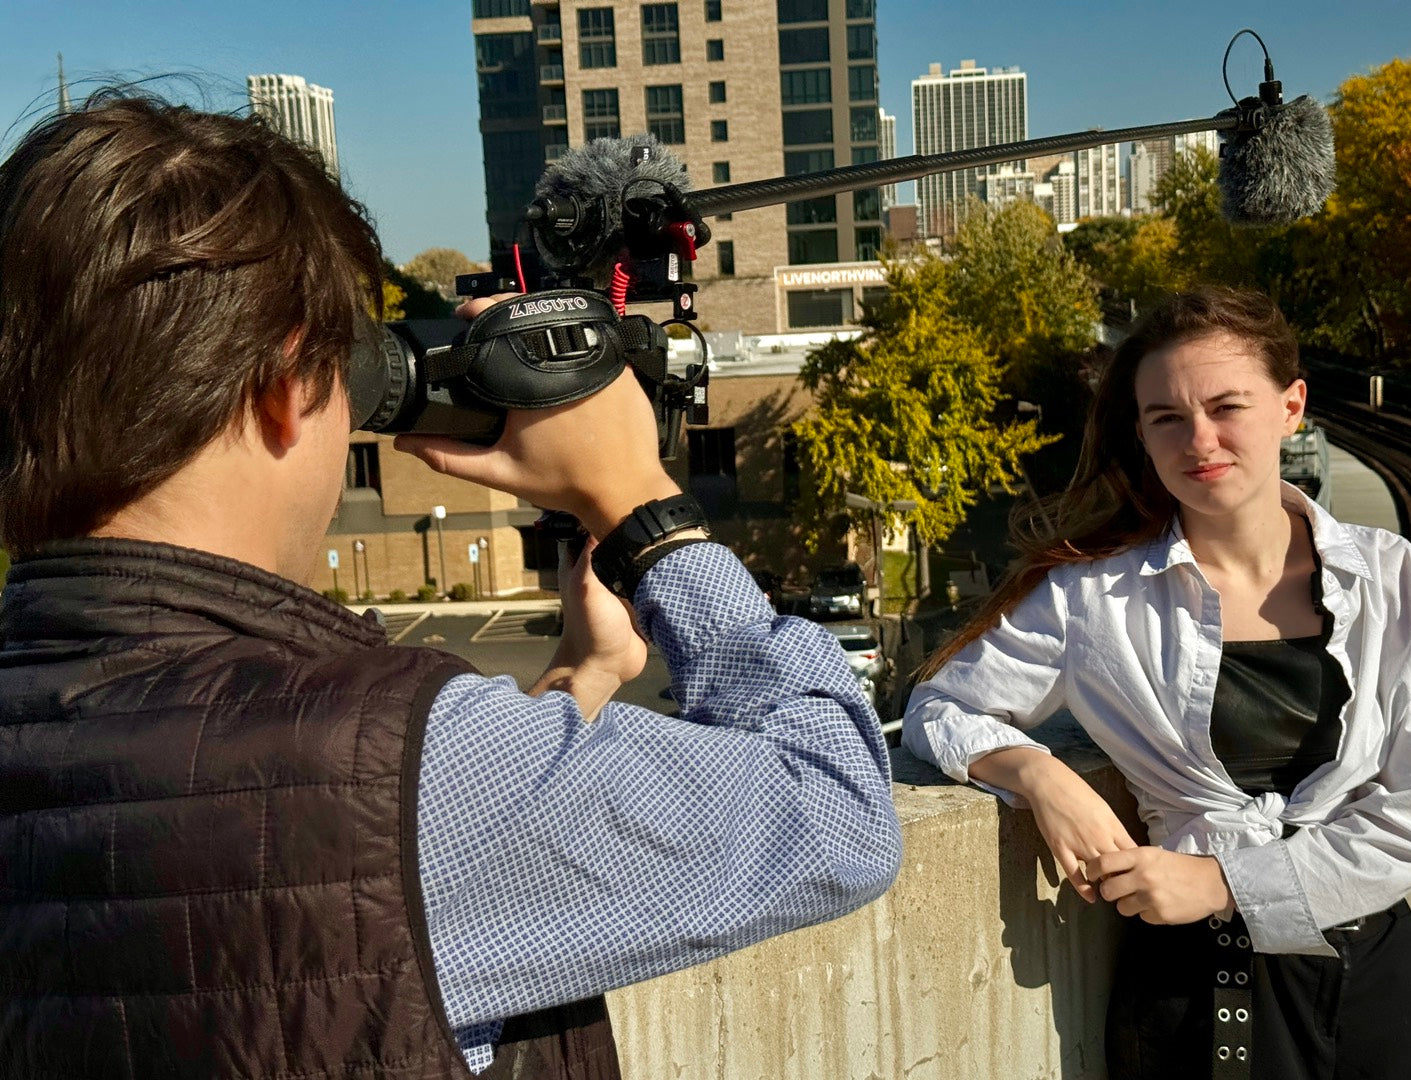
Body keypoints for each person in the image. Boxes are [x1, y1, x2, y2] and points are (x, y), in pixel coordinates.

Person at [0, 93, 901, 1079]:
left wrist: (579, 684)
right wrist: (643, 501)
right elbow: (836, 813)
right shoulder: (403, 769)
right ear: (281, 388)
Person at [902, 287, 1411, 1079]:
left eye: (1227, 407)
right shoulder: (1094, 596)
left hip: (1378, 980)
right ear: (1143, 435)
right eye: (1167, 419)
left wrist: (1224, 881)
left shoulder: (1395, 580)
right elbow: (940, 705)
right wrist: (1037, 773)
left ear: (1292, 407)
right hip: (1198, 995)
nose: (1201, 440)